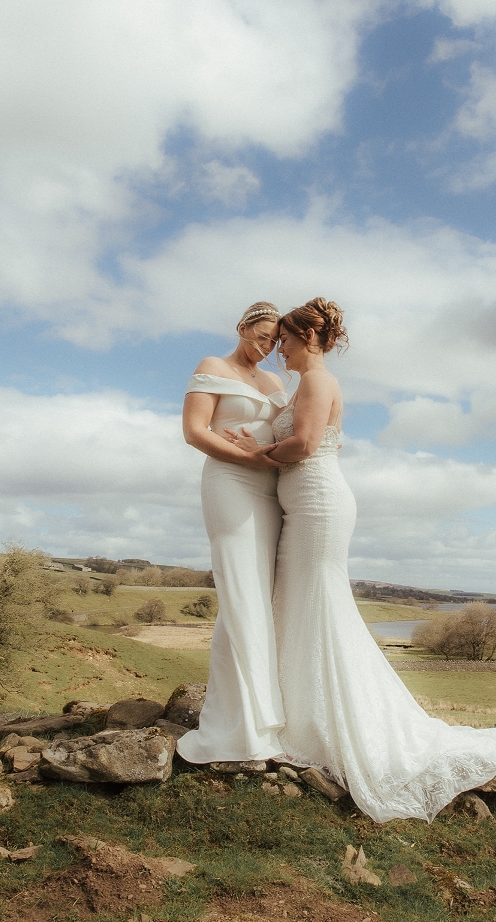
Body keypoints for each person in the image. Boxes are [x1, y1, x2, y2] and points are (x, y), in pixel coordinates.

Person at [233, 297, 496, 822]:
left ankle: (332, 724)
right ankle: (301, 714)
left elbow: (303, 444)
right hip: (305, 502)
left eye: (283, 340)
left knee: (317, 604)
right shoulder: (308, 386)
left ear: (306, 339)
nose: (278, 349)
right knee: (300, 604)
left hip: (318, 503)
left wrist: (255, 456)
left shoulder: (316, 382)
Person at [175, 302, 288, 765]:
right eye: (260, 337)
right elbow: (194, 432)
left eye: (274, 343)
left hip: (271, 489)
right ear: (242, 327)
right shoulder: (213, 366)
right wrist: (250, 460)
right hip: (230, 482)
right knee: (241, 591)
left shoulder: (277, 382)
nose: (265, 349)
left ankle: (248, 714)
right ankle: (241, 728)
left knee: (259, 596)